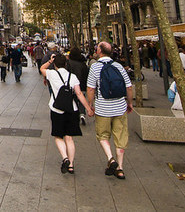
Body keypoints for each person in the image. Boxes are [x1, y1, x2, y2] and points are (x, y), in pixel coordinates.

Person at [86, 41, 133, 180]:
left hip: (102, 109)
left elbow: (90, 88)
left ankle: (110, 158)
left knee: (103, 136)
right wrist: (129, 103)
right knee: (121, 138)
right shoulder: (118, 66)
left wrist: (90, 105)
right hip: (120, 108)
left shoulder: (95, 67)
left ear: (100, 51)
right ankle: (120, 168)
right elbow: (129, 87)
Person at [41, 51, 93, 175]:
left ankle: (64, 157)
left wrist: (50, 61)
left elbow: (41, 68)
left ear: (55, 64)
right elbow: (79, 94)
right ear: (66, 64)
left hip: (56, 109)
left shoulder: (52, 74)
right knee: (69, 138)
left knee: (58, 136)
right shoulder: (72, 77)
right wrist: (88, 108)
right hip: (71, 109)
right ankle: (71, 164)